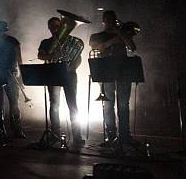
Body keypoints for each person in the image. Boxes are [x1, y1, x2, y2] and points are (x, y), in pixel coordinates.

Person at [89, 10, 137, 146]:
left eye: (112, 19)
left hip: (124, 72)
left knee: (123, 104)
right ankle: (111, 135)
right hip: (106, 71)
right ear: (103, 21)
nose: (110, 22)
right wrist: (113, 41)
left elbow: (132, 47)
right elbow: (95, 46)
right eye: (108, 19)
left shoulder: (122, 34)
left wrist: (121, 34)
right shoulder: (97, 35)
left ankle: (124, 136)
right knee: (108, 104)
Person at [38, 16, 83, 148]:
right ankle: (55, 134)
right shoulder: (46, 42)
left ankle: (77, 135)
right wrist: (53, 56)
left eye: (58, 27)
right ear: (49, 28)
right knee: (54, 104)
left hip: (69, 75)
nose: (55, 29)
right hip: (53, 74)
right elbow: (41, 55)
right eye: (52, 27)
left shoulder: (72, 41)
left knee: (72, 104)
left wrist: (72, 66)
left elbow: (78, 58)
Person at [0, 20, 25, 139]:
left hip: (11, 74)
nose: (0, 33)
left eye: (1, 31)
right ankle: (0, 129)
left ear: (5, 31)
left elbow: (19, 60)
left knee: (14, 103)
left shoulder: (13, 42)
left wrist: (21, 78)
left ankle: (16, 129)